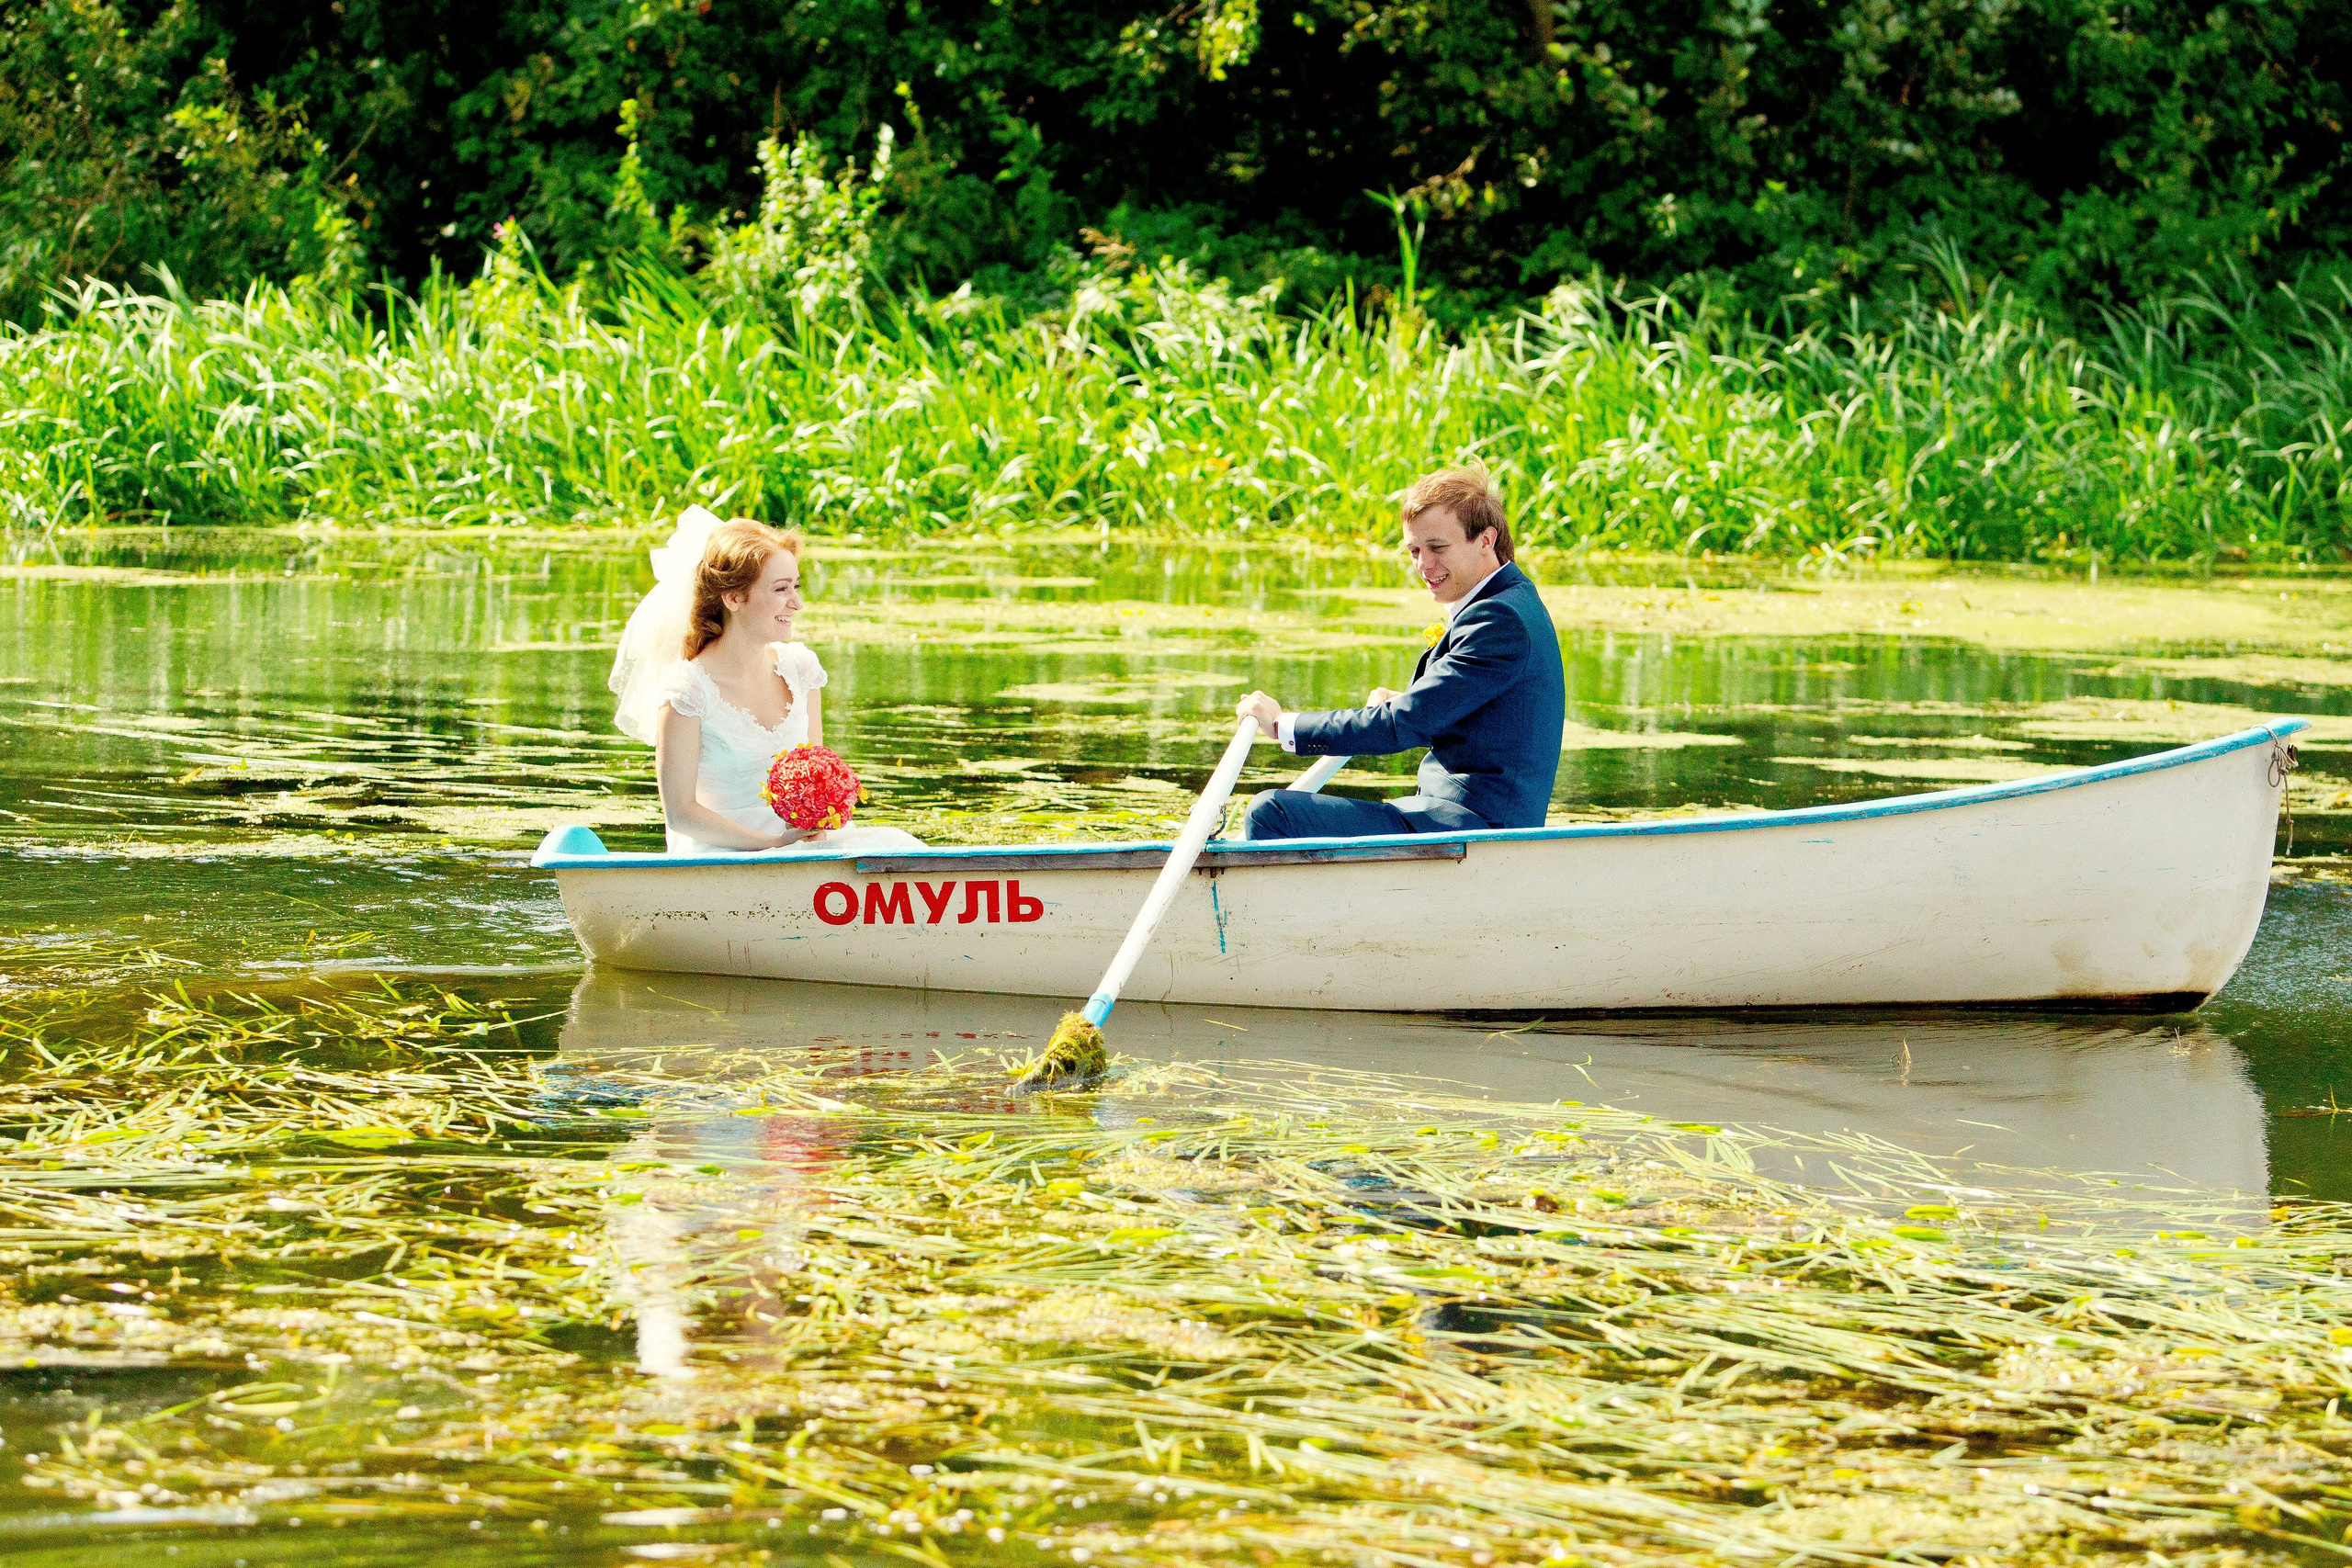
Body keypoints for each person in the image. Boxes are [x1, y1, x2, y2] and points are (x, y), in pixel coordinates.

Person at [1235, 467, 1565, 840]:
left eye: (1437, 548)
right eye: (1414, 551)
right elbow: (1465, 711)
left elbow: (1403, 724)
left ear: (1486, 540)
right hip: (1455, 818)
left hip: (1474, 829)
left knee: (1272, 812)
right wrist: (1410, 699)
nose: (1424, 565)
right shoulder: (1512, 599)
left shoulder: (1499, 619)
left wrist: (1284, 725)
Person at [607, 505, 923, 856]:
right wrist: (774, 846)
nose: (797, 603)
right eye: (781, 589)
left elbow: (814, 777)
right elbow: (681, 814)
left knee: (897, 845)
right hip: (722, 852)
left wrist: (815, 825)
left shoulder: (801, 669)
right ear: (734, 598)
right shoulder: (686, 692)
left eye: (796, 586)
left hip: (800, 843)